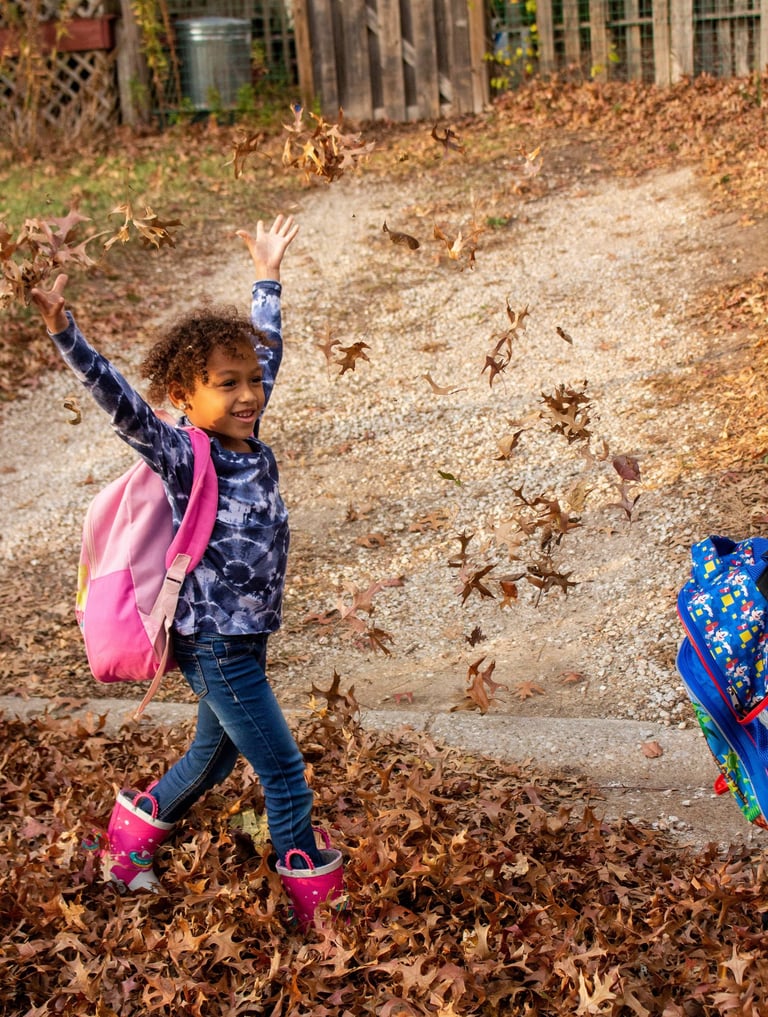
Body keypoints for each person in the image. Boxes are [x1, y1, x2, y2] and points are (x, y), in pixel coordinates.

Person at [30, 214, 343, 929]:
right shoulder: (182, 452)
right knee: (285, 774)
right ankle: (317, 912)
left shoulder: (249, 440)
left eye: (252, 382)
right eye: (226, 384)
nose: (247, 395)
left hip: (246, 640)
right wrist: (65, 335)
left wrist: (268, 276)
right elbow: (121, 403)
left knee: (213, 756)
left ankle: (127, 847)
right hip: (217, 645)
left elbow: (272, 352)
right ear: (185, 392)